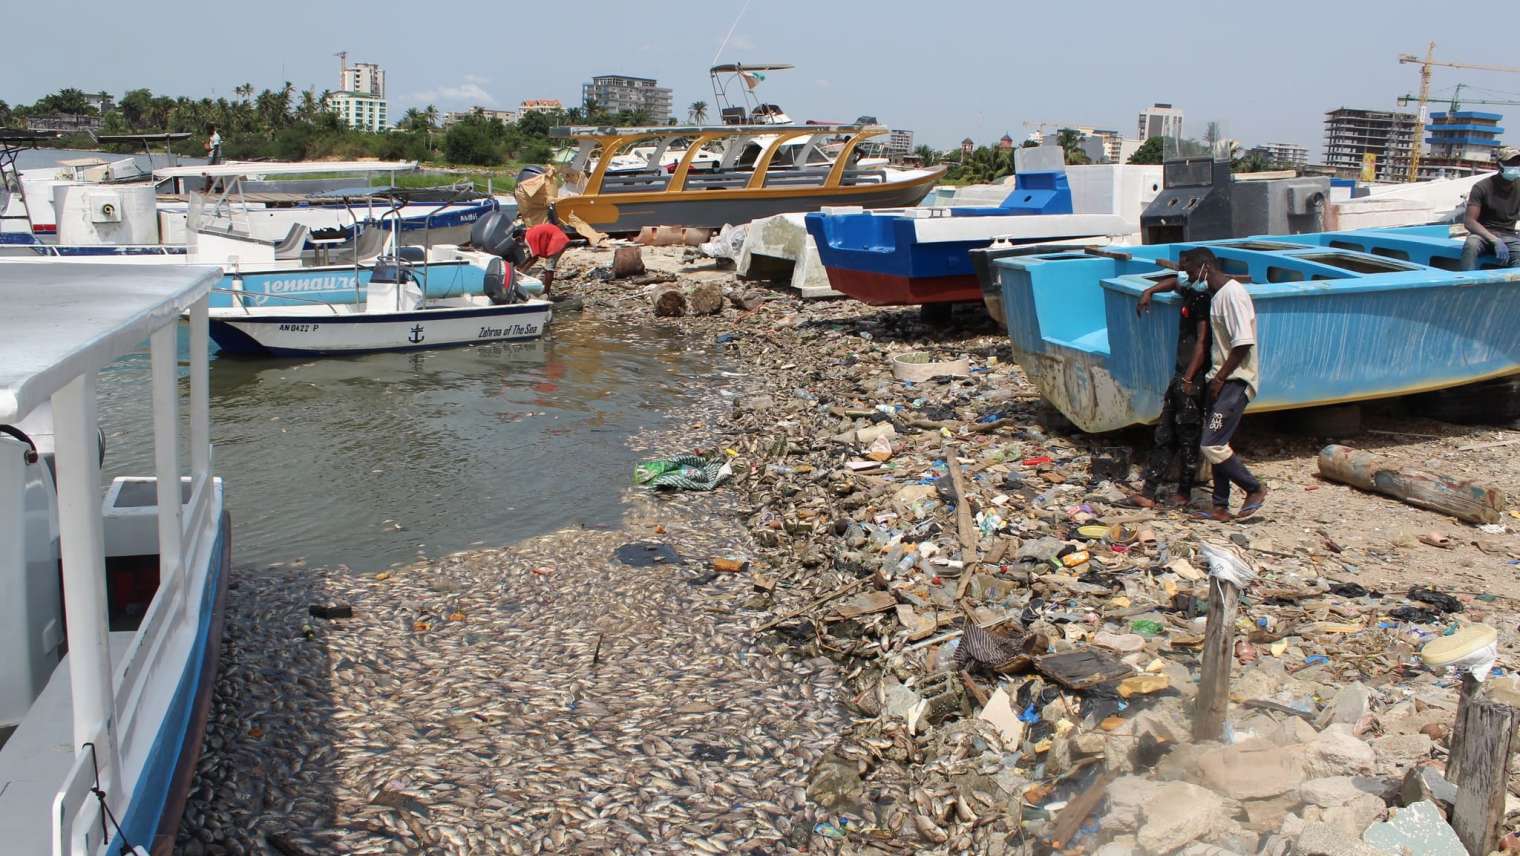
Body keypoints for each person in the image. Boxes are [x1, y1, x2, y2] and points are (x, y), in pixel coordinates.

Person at [1184, 247, 1267, 522]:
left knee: (1212, 444)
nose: (1191, 278)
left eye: (1192, 272)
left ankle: (1254, 488)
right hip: (1221, 380)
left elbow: (1242, 343)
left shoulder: (1232, 295)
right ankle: (1219, 506)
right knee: (1220, 443)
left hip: (1235, 381)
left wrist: (1220, 379)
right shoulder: (1218, 296)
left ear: (1205, 267)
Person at [1127, 262, 1212, 508]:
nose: (1185, 274)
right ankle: (1149, 492)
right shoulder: (1190, 290)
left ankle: (1183, 491)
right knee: (1165, 433)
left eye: (1190, 268)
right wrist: (1150, 291)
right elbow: (1176, 281)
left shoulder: (1203, 300)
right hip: (1181, 375)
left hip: (1191, 379)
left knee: (1188, 436)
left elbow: (1202, 343)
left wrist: (1188, 378)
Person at [1460, 145, 1520, 271]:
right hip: (1483, 234)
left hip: (1509, 235)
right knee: (1471, 246)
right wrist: (1495, 240)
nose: (1516, 165)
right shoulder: (1482, 187)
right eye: (1511, 162)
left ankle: (1512, 289)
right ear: (1500, 165)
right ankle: (1467, 284)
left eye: (1518, 162)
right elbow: (1469, 222)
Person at [519, 222, 570, 299]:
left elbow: (534, 258)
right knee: (548, 268)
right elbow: (532, 255)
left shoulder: (527, 238)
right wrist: (521, 266)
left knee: (549, 267)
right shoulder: (530, 232)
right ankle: (546, 291)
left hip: (557, 241)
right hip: (560, 238)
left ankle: (546, 293)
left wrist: (522, 271)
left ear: (520, 238)